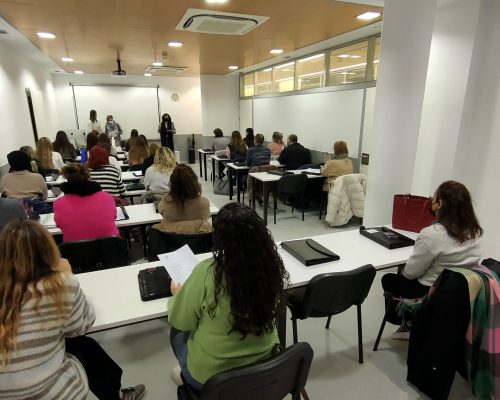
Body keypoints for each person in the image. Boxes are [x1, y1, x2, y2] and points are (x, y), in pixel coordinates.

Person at [0, 219, 145, 400]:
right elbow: (79, 328)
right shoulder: (58, 285)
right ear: (49, 249)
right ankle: (113, 395)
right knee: (83, 345)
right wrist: (67, 275)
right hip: (54, 393)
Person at [168, 202, 289, 389]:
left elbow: (180, 321)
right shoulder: (270, 267)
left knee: (177, 332)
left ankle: (187, 373)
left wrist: (177, 296)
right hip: (265, 366)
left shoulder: (207, 271)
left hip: (213, 379)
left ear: (220, 239)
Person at [382, 180, 483, 338]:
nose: (431, 201)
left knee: (388, 279)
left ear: (440, 203)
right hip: (461, 291)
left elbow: (410, 274)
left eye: (433, 198)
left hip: (429, 291)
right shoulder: (473, 230)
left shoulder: (431, 234)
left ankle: (403, 320)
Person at [54, 164, 119, 242]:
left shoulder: (59, 203)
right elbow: (114, 217)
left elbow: (59, 225)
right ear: (88, 175)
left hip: (76, 252)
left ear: (66, 177)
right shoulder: (107, 197)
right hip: (110, 249)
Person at [153, 164, 211, 234]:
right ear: (194, 182)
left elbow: (161, 211)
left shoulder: (165, 205)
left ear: (172, 184)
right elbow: (207, 217)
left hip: (172, 242)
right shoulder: (204, 204)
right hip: (198, 243)